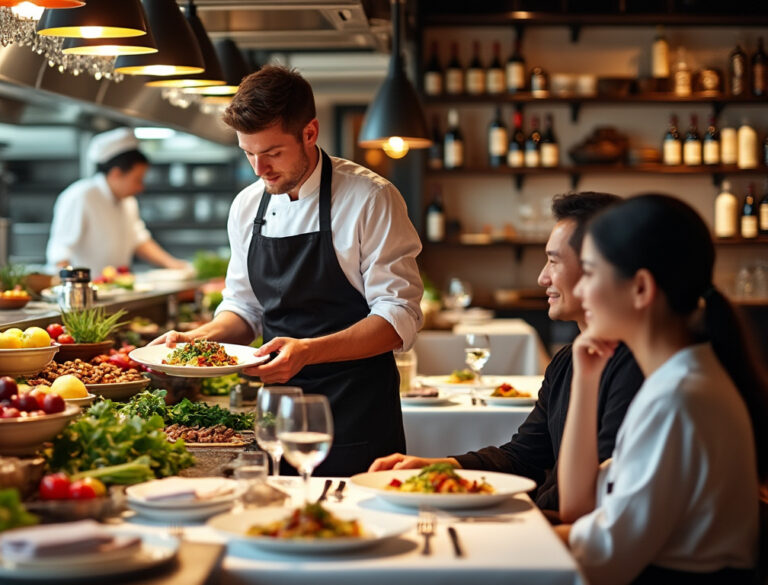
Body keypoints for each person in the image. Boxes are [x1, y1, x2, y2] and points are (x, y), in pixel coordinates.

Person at [152, 66, 423, 476]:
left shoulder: (371, 198)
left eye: (273, 153)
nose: (259, 168)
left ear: (310, 133)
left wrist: (308, 351)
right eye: (248, 153)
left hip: (356, 414)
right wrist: (196, 341)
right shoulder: (247, 206)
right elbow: (244, 309)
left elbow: (397, 319)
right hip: (277, 415)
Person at [370, 192, 644, 520]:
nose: (542, 278)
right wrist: (438, 467)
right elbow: (523, 457)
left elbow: (592, 498)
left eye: (554, 261)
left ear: (597, 267)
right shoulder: (569, 361)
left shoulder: (634, 369)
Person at [555, 194, 767, 585]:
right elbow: (579, 506)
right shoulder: (677, 381)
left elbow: (605, 559)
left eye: (589, 273)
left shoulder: (678, 398)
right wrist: (586, 380)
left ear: (640, 289)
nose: (581, 291)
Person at [45, 127, 187, 273]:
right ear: (116, 174)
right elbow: (60, 251)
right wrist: (73, 288)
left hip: (117, 287)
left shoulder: (128, 201)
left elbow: (139, 239)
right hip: (88, 289)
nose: (141, 187)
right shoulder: (81, 196)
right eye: (137, 180)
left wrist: (174, 264)